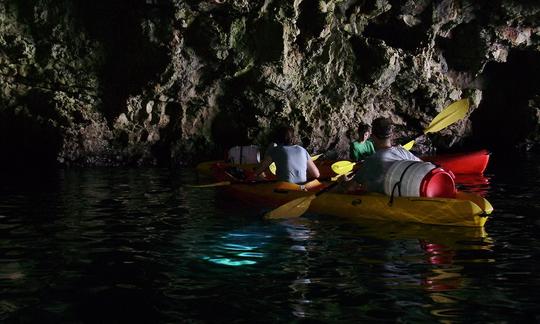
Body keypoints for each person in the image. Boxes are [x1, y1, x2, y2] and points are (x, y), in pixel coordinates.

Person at [341, 117, 421, 193]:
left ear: (372, 136)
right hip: (413, 191)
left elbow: (350, 187)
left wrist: (343, 180)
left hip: (393, 198)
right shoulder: (403, 151)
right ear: (391, 135)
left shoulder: (371, 160)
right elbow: (422, 164)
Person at [252, 126, 320, 184]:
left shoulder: (276, 150)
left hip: (285, 189)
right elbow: (316, 174)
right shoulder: (302, 150)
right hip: (302, 189)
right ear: (293, 138)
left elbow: (257, 172)